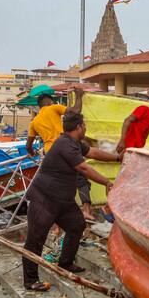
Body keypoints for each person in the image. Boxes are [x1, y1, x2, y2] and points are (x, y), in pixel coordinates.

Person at [23, 112, 121, 291]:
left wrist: (117, 158)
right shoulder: (64, 145)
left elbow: (94, 152)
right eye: (84, 126)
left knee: (77, 225)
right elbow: (83, 167)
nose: (85, 128)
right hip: (44, 198)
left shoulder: (74, 143)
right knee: (35, 239)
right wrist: (106, 182)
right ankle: (30, 281)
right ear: (78, 127)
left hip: (63, 201)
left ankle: (65, 263)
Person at [26, 89, 95, 221]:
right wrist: (79, 96)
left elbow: (28, 146)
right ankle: (86, 210)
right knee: (81, 178)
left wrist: (32, 153)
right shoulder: (53, 108)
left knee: (57, 185)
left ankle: (56, 224)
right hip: (65, 146)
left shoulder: (34, 122)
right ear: (49, 102)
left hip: (50, 154)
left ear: (39, 106)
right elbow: (75, 111)